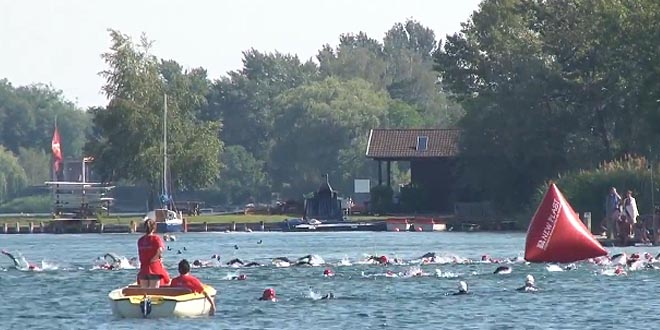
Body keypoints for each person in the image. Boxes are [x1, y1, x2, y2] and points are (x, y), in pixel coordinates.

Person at [137, 219, 170, 288]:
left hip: (144, 267)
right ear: (154, 228)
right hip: (154, 267)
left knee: (144, 291)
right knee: (154, 291)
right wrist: (154, 259)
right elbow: (160, 250)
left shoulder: (140, 240)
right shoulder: (156, 238)